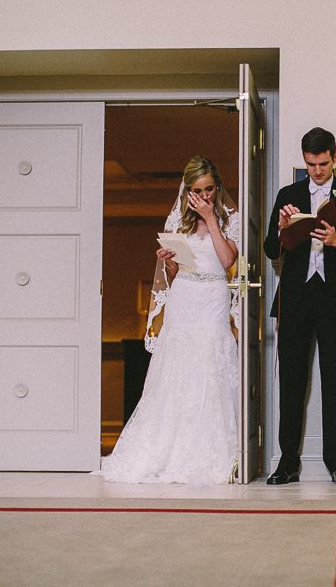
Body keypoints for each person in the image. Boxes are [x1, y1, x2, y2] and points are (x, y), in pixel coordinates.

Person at [99, 155, 241, 485]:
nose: (204, 197)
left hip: (213, 298)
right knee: (178, 369)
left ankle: (211, 451)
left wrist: (212, 218)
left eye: (209, 190)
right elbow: (175, 274)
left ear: (217, 188)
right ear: (187, 191)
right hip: (184, 298)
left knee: (210, 365)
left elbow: (227, 260)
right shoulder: (179, 221)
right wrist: (168, 261)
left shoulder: (229, 219)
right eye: (197, 191)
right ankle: (168, 448)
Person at [264, 127, 336, 486]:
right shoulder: (288, 195)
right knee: (291, 384)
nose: (317, 171)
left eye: (323, 164)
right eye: (311, 165)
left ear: (334, 158)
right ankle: (287, 463)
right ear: (305, 160)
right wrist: (282, 229)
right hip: (295, 301)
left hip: (334, 303)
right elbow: (270, 249)